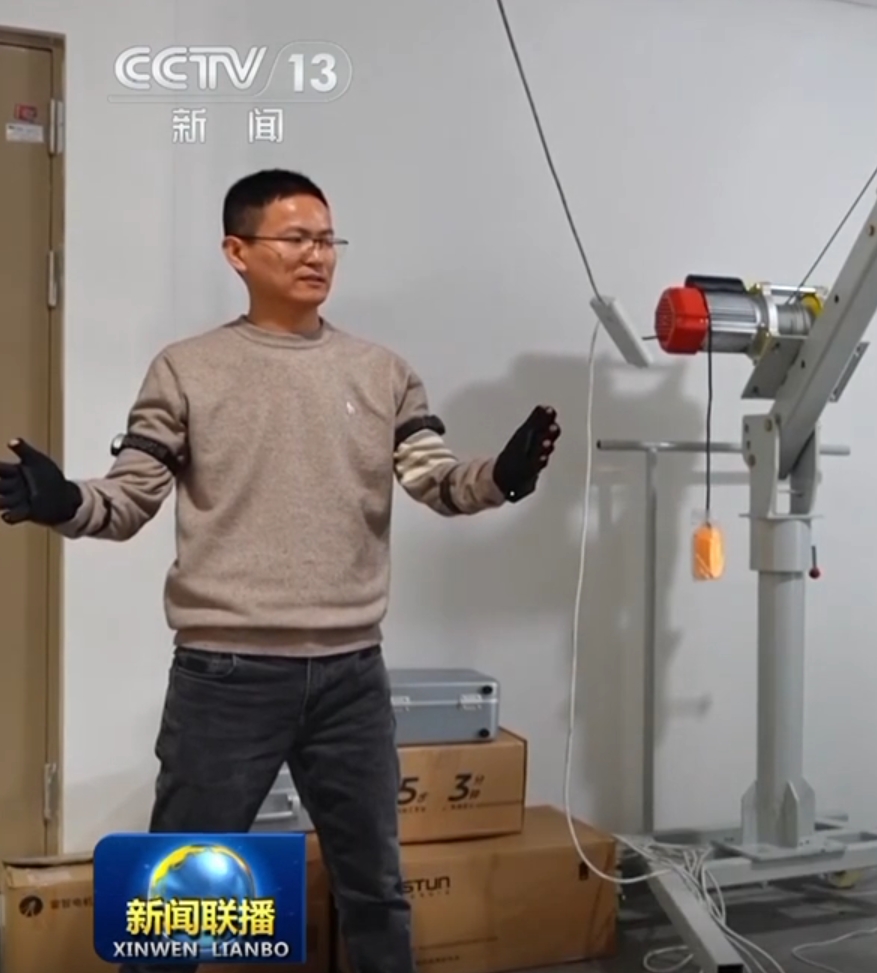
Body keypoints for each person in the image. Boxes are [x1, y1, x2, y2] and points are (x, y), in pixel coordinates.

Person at [0, 169, 561, 973]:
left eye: (328, 239)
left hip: (351, 676)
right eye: (296, 238)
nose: (317, 255)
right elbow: (127, 500)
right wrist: (62, 501)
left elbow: (435, 479)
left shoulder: (382, 371)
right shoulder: (187, 369)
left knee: (376, 890)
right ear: (237, 251)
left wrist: (499, 477)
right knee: (177, 900)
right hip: (225, 678)